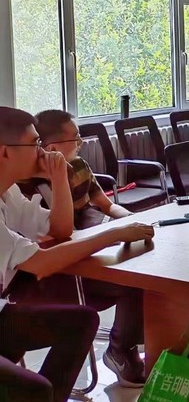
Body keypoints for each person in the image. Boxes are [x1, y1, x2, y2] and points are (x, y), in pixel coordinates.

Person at [0, 106, 155, 393]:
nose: (43, 152)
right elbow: (41, 263)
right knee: (35, 389)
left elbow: (60, 230)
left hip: (3, 311)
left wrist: (59, 176)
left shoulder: (9, 193)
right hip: (18, 295)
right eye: (35, 144)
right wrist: (112, 234)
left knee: (83, 323)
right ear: (5, 152)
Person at [23, 109, 133, 229]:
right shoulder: (26, 186)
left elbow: (107, 206)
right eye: (76, 138)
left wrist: (131, 217)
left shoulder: (79, 165)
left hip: (92, 224)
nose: (81, 142)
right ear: (52, 149)